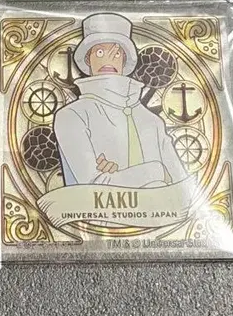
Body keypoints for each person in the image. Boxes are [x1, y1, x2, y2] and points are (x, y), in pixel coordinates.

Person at [53, 14, 188, 188]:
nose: (108, 60)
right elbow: (93, 185)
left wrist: (120, 177)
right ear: (88, 60)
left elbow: (183, 187)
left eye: (116, 53)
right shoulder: (71, 116)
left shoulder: (153, 122)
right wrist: (158, 171)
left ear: (125, 61)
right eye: (100, 52)